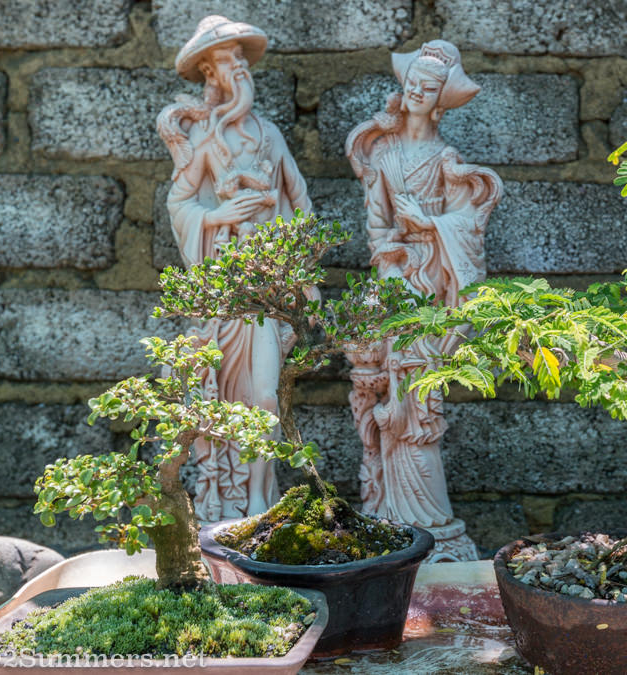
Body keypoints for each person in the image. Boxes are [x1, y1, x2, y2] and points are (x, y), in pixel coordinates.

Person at [346, 40, 502, 559]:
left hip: (433, 283)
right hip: (394, 283)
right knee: (391, 388)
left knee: (422, 393)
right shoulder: (384, 156)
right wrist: (396, 244)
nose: (416, 90)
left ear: (439, 100)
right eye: (412, 80)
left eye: (428, 86)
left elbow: (470, 228)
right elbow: (375, 227)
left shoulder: (446, 159)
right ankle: (390, 513)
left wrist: (430, 225)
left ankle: (429, 519)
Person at [157, 16, 311, 522]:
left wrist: (294, 261)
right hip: (222, 294)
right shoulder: (204, 139)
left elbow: (300, 201)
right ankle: (224, 503)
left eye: (242, 57)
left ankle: (260, 500)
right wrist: (217, 216)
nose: (239, 66)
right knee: (217, 403)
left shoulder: (267, 135)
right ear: (209, 70)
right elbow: (179, 203)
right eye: (229, 58)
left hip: (263, 294)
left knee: (264, 395)